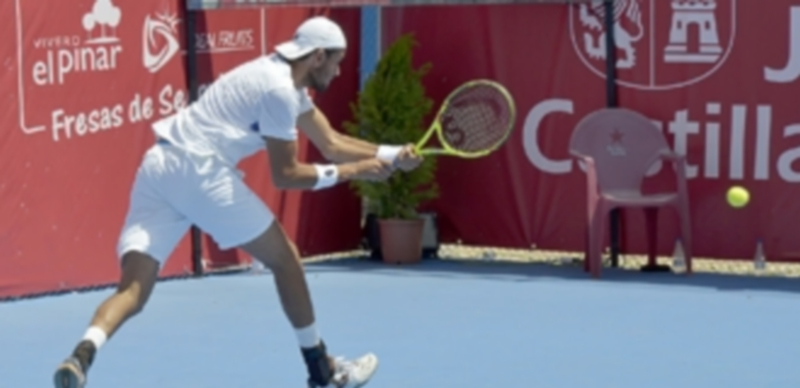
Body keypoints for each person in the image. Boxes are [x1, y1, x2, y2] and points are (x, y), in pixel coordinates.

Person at [53, 15, 422, 388]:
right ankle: (321, 370)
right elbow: (286, 174)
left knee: (133, 290)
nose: (340, 72)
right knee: (286, 259)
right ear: (317, 57)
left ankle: (81, 355)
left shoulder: (278, 79)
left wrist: (392, 155)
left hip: (159, 167)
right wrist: (355, 171)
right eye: (337, 62)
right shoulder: (278, 91)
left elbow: (330, 142)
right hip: (199, 173)